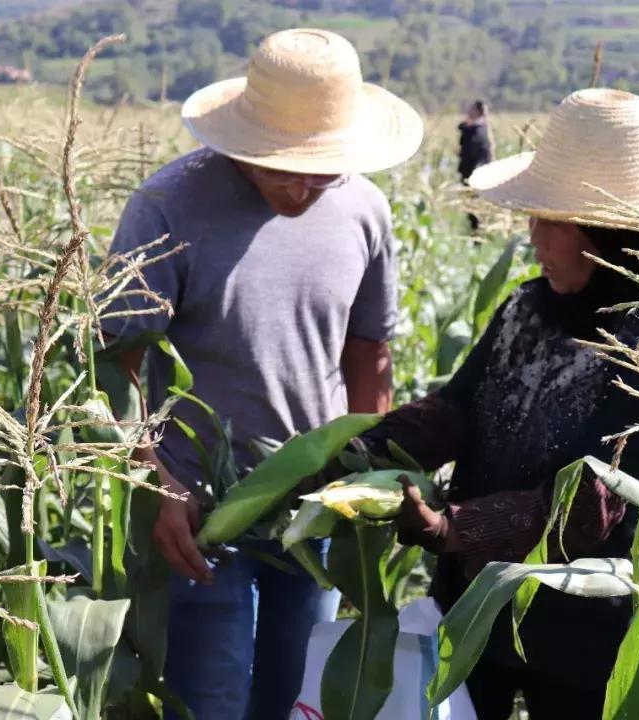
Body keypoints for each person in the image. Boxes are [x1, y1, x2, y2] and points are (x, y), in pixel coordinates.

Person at [99, 28, 423, 720]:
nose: (305, 185)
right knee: (211, 701)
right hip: (199, 515)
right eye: (285, 165)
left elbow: (369, 353)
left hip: (317, 509)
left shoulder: (365, 210)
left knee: (294, 699)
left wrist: (371, 480)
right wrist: (158, 483)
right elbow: (118, 360)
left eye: (324, 167)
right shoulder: (167, 207)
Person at [357, 88, 639, 719]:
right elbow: (459, 408)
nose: (533, 237)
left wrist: (454, 529)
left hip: (587, 627)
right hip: (477, 612)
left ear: (606, 235)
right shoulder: (526, 308)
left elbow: (597, 498)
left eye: (551, 220)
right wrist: (374, 446)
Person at [458, 99, 493, 231]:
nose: (468, 112)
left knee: (474, 208)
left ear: (478, 112)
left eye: (471, 109)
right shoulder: (481, 130)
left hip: (472, 174)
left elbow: (470, 152)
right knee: (474, 207)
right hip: (475, 174)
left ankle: (477, 235)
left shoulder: (476, 132)